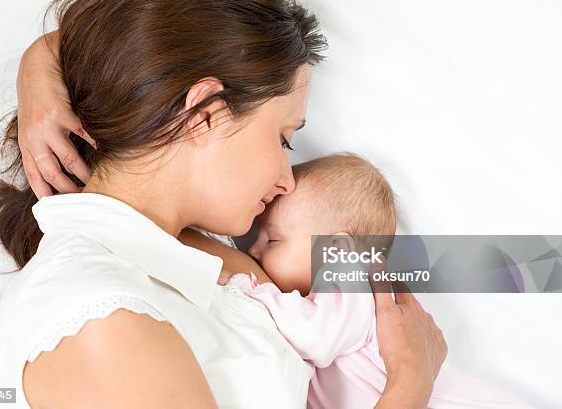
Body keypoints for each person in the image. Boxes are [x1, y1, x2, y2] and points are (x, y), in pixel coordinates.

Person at [0, 0, 447, 407]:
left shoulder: (190, 258)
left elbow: (133, 38)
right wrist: (409, 382)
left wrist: (43, 60)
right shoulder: (100, 317)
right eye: (284, 137)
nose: (288, 179)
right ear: (205, 113)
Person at [223, 152, 532, 409]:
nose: (254, 249)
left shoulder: (351, 280)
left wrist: (247, 287)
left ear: (336, 250)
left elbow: (314, 337)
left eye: (273, 240)